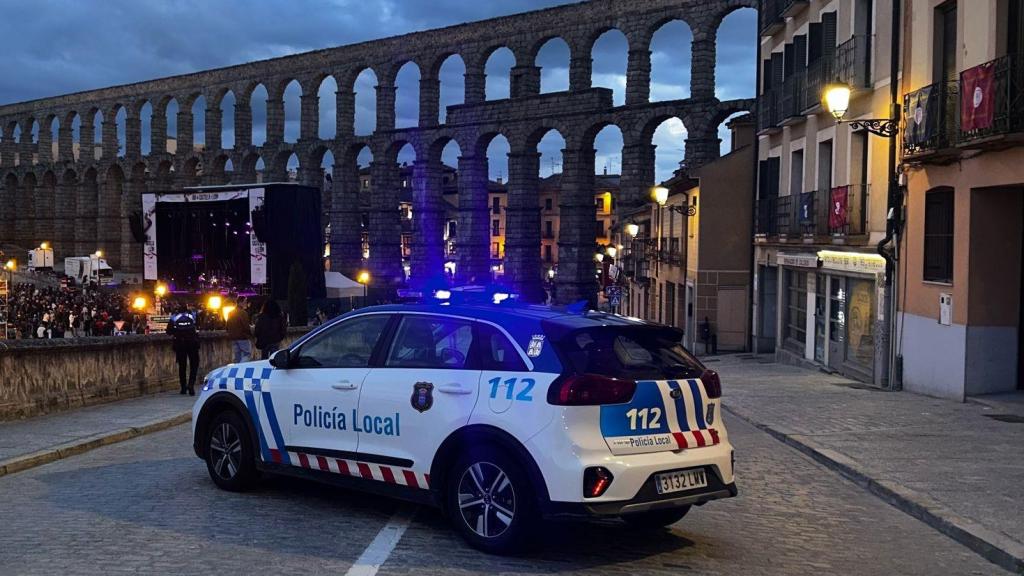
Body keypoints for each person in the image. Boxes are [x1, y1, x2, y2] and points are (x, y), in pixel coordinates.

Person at [167, 306, 201, 396]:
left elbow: (169, 331)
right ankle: (191, 384)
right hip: (192, 343)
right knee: (194, 364)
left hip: (180, 344)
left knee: (182, 366)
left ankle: (183, 387)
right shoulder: (193, 315)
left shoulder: (174, 317)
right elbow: (199, 326)